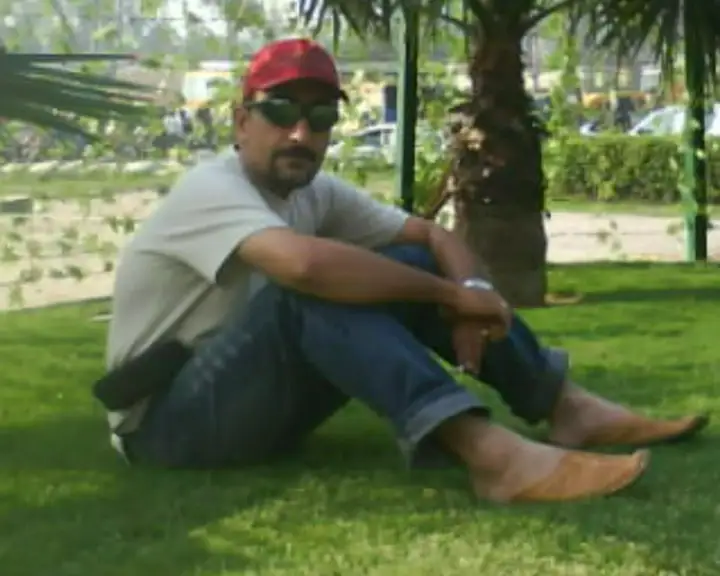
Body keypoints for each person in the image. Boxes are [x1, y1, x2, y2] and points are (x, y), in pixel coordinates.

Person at [104, 38, 708, 504]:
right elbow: (303, 266)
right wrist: (450, 294)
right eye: (280, 110)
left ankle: (565, 406)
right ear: (242, 122)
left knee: (405, 261)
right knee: (308, 290)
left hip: (252, 409)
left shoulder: (314, 193)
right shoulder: (210, 188)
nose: (300, 132)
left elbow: (432, 236)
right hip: (165, 428)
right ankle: (491, 456)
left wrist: (469, 290)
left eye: (320, 117)